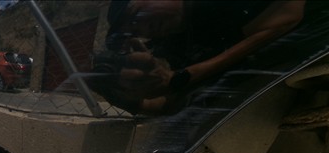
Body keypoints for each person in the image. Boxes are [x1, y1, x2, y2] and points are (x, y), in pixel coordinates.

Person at [92, 0, 306, 113]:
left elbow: (289, 15)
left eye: (136, 15)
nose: (144, 28)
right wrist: (136, 101)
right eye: (135, 30)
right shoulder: (178, 43)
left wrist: (186, 76)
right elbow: (171, 102)